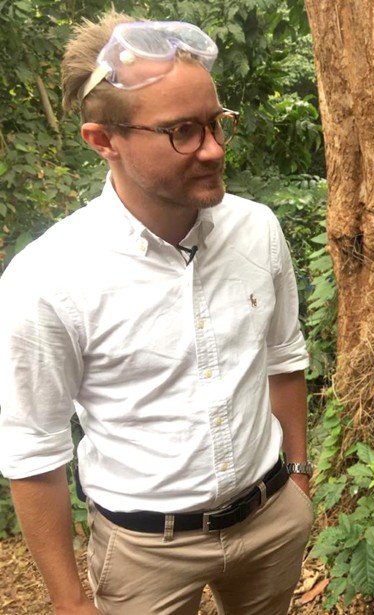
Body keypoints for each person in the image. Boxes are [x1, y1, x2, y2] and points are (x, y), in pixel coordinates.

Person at [0, 11, 314, 615]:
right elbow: (34, 452)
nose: (215, 149)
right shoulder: (48, 279)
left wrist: (297, 473)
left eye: (218, 123)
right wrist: (70, 602)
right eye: (183, 132)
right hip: (145, 549)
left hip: (271, 515)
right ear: (103, 140)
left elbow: (284, 355)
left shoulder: (257, 229)